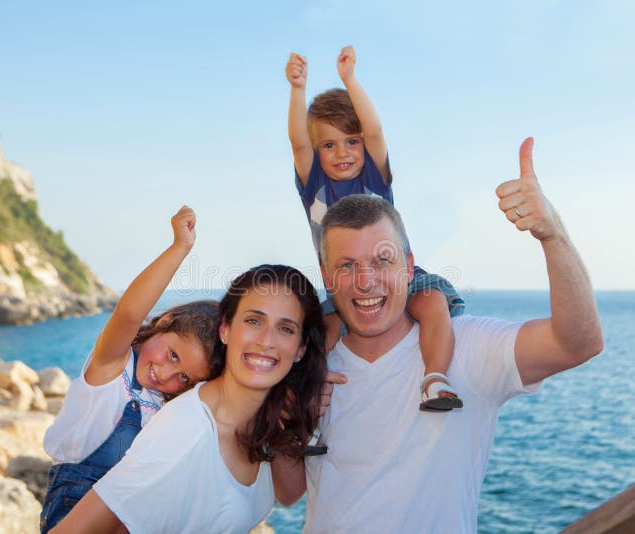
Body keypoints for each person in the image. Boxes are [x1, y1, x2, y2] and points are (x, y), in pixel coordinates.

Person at [271, 138, 605, 533]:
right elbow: (288, 493)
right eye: (347, 266)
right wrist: (291, 420)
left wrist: (553, 236)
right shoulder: (310, 364)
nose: (366, 281)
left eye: (383, 260)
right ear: (327, 277)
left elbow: (579, 343)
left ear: (410, 267)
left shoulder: (467, 347)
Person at [50, 264, 328, 533]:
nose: (267, 340)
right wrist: (179, 246)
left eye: (286, 329)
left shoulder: (260, 418)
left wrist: (296, 405)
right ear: (226, 329)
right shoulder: (185, 428)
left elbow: (290, 493)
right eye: (254, 320)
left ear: (301, 348)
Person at [286, 45, 465, 411]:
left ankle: (434, 379)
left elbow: (375, 129)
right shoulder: (314, 186)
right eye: (329, 145)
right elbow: (298, 141)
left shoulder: (374, 176)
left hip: (397, 279)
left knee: (431, 302)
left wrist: (350, 80)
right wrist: (297, 90)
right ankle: (307, 411)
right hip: (346, 288)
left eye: (352, 142)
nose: (342, 153)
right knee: (320, 336)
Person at [40, 206, 219, 532]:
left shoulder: (167, 406)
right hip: (76, 504)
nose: (166, 375)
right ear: (164, 322)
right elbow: (127, 314)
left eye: (184, 378)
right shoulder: (112, 368)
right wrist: (180, 247)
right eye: (173, 356)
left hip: (129, 515)